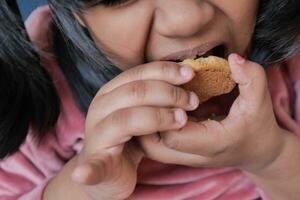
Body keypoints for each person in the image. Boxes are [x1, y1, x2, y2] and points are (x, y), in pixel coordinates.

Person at [0, 0, 299, 199]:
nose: (186, 19)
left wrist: (271, 157)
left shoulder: (292, 52)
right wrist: (86, 189)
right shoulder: (30, 83)